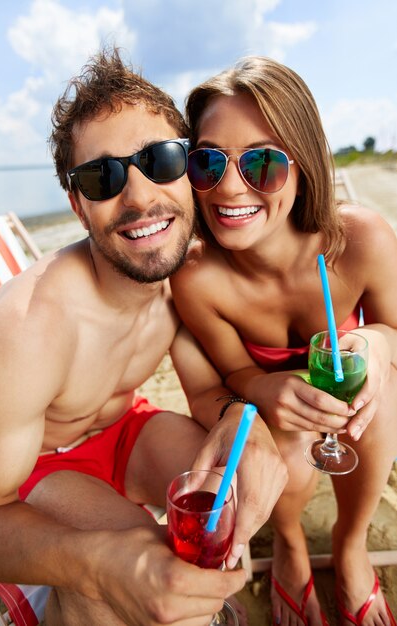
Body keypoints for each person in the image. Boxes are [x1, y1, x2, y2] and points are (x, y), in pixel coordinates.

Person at [0, 48, 289, 626]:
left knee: (247, 490)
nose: (140, 196)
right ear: (78, 205)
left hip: (127, 430)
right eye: (103, 177)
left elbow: (203, 389)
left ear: (191, 169)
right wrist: (97, 565)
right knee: (146, 568)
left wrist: (237, 424)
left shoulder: (183, 278)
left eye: (161, 159)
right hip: (41, 470)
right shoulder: (25, 330)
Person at [170, 56, 397, 626]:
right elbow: (234, 374)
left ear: (304, 165)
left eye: (262, 163)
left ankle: (350, 546)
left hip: (355, 404)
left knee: (382, 396)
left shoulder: (361, 238)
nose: (227, 186)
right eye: (207, 162)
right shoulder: (197, 278)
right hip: (277, 418)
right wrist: (264, 385)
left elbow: (396, 333)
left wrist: (373, 341)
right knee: (287, 454)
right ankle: (291, 543)